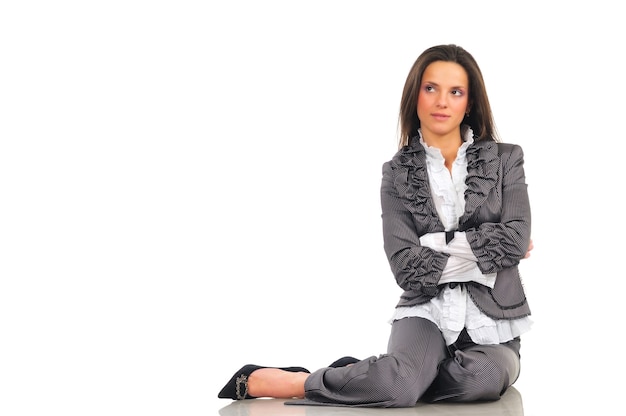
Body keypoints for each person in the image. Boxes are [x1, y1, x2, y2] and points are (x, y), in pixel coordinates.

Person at [217, 44, 534, 408]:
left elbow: (514, 240)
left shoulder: (507, 158)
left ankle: (385, 374)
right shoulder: (396, 172)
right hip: (424, 311)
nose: (441, 102)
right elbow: (405, 266)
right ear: (415, 95)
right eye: (430, 88)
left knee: (479, 381)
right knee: (400, 389)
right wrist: (488, 254)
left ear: (470, 102)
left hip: (494, 324)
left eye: (455, 92)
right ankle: (303, 382)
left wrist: (434, 243)